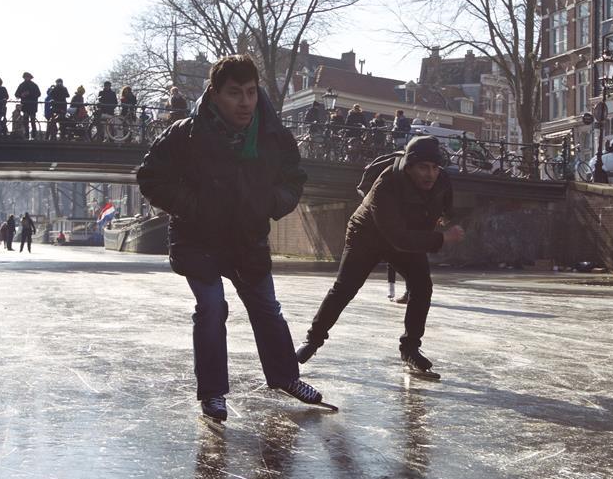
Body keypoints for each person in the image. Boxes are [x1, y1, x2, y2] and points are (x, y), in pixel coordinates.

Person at [137, 53, 326, 422]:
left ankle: (287, 377)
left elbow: (293, 179)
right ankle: (213, 394)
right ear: (215, 94)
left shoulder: (273, 136)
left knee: (268, 310)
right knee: (211, 309)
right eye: (235, 93)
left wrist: (271, 203)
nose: (245, 102)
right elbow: (151, 177)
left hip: (247, 238)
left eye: (252, 93)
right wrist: (193, 205)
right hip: (199, 238)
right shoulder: (186, 134)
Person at [294, 136, 465, 377]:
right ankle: (312, 341)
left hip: (406, 235)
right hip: (367, 236)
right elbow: (398, 238)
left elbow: (447, 210)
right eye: (423, 167)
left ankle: (410, 349)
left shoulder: (442, 182)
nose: (430, 174)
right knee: (345, 288)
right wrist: (442, 238)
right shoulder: (387, 183)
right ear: (409, 166)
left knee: (422, 286)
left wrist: (448, 222)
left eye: (435, 167)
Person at [14, 72, 41, 140]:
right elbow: (16, 94)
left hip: (32, 105)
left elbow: (38, 94)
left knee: (32, 121)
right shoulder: (22, 85)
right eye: (26, 77)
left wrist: (29, 94)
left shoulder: (34, 85)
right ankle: (27, 135)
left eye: (28, 77)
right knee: (25, 122)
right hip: (26, 105)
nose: (27, 78)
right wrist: (22, 95)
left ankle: (33, 135)